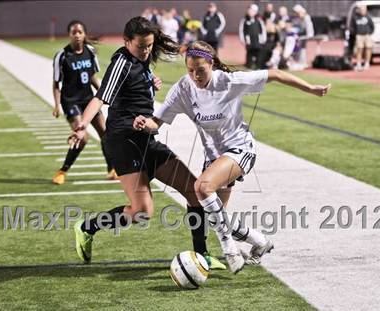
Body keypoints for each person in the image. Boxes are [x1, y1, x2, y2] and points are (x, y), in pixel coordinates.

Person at [69, 16, 244, 272]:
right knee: (142, 211)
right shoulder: (121, 61)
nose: (146, 50)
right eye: (141, 46)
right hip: (124, 143)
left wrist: (151, 81)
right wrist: (83, 124)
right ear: (127, 42)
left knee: (195, 192)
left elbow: (138, 83)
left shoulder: (142, 58)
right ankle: (87, 227)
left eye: (150, 46)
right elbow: (100, 98)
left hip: (147, 139)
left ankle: (202, 255)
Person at [133, 41, 331, 266]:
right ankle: (260, 241)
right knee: (217, 217)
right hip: (214, 159)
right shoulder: (182, 89)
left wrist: (311, 89)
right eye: (190, 70)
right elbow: (156, 123)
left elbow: (274, 74)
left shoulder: (228, 82)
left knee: (201, 187)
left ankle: (231, 252)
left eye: (200, 70)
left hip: (240, 149)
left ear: (211, 64)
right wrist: (143, 122)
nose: (195, 76)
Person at [52, 20, 116, 185]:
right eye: (74, 32)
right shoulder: (62, 55)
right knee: (83, 137)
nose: (77, 35)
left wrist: (105, 94)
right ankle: (62, 171)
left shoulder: (90, 51)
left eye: (80, 32)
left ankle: (111, 170)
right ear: (69, 35)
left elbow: (92, 76)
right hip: (70, 101)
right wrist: (57, 105)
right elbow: (56, 84)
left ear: (84, 34)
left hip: (89, 100)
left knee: (106, 134)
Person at [239, 4, 266, 69]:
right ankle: (248, 66)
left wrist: (263, 39)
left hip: (258, 41)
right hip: (249, 42)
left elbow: (263, 30)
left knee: (259, 54)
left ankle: (258, 67)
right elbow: (241, 30)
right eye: (249, 10)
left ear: (255, 12)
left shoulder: (259, 20)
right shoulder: (244, 20)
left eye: (252, 10)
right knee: (249, 54)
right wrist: (243, 40)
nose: (250, 11)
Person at [350, 4, 374, 71]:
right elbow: (352, 27)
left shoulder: (368, 17)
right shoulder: (355, 17)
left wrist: (369, 33)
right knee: (359, 50)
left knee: (368, 49)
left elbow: (372, 26)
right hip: (359, 35)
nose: (363, 11)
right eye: (361, 9)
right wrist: (355, 34)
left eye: (364, 9)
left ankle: (367, 63)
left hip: (367, 35)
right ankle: (359, 64)